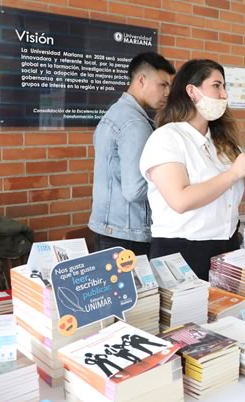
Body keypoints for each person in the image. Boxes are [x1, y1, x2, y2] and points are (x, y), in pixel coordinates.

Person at [139, 59, 245, 280]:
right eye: (216, 85)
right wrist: (232, 174)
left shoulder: (222, 142)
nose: (224, 95)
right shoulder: (167, 138)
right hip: (183, 252)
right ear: (191, 91)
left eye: (224, 87)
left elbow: (228, 195)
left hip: (227, 245)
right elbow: (180, 200)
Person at [89, 52, 175, 256]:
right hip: (128, 234)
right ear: (141, 80)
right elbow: (135, 190)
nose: (167, 92)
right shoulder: (135, 124)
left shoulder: (115, 113)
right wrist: (174, 184)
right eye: (163, 85)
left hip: (110, 228)